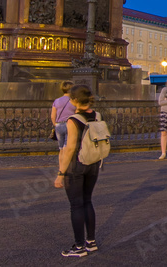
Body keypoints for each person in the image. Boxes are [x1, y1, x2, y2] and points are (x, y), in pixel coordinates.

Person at [54, 86, 101, 257]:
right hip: (93, 163)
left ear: (74, 100)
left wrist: (61, 173)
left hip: (77, 165)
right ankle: (91, 241)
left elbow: (70, 148)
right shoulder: (97, 116)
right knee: (87, 201)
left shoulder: (73, 120)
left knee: (76, 205)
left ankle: (79, 246)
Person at [51, 81, 75, 150]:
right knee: (67, 148)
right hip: (70, 125)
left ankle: (61, 157)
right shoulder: (74, 101)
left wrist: (55, 124)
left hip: (59, 125)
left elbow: (52, 116)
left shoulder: (57, 101)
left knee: (61, 148)